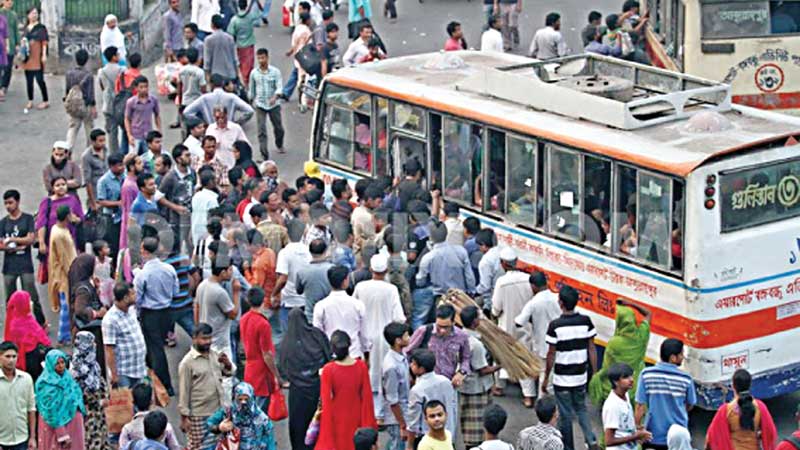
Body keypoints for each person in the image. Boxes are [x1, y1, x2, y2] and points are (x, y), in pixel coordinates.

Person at [541, 285, 598, 450]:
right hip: (580, 376)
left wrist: (546, 379)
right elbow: (592, 349)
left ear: (560, 303)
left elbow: (551, 355)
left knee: (565, 416)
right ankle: (591, 441)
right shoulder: (586, 322)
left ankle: (568, 447)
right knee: (581, 409)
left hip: (562, 380)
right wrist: (594, 372)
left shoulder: (555, 326)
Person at [353, 253, 405, 415]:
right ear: (386, 270)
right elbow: (399, 317)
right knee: (385, 371)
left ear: (370, 269)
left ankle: (371, 410)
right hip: (386, 336)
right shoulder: (391, 289)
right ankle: (383, 411)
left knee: (369, 371)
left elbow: (355, 309)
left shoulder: (361, 287)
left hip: (365, 335)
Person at [315, 330, 378, 450]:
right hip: (357, 414)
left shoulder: (328, 370)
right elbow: (367, 399)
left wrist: (326, 434)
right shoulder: (361, 366)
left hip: (336, 417)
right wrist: (369, 426)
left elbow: (326, 403)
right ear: (349, 345)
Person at [279, 308, 331, 450]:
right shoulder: (316, 335)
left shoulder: (287, 343)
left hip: (298, 393)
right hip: (317, 388)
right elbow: (328, 355)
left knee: (299, 427)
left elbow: (283, 367)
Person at [135, 237, 180, 396]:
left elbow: (138, 299)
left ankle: (165, 385)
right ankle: (153, 377)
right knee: (156, 347)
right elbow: (175, 292)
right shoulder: (169, 269)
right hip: (166, 312)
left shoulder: (143, 274)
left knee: (156, 349)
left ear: (145, 252)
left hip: (151, 313)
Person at [491, 248, 536, 405]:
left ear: (503, 264)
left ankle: (499, 386)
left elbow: (496, 308)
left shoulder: (501, 283)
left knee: (500, 356)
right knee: (524, 359)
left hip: (506, 327)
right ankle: (529, 396)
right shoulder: (528, 279)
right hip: (525, 327)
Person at [178, 323, 234, 450]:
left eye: (209, 338)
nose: (208, 342)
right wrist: (184, 418)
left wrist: (227, 364)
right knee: (198, 447)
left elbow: (226, 374)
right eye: (204, 339)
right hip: (198, 415)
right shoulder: (187, 363)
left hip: (217, 411)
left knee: (218, 445)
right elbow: (184, 392)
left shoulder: (214, 355)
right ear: (194, 338)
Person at [589, 299, 651, 409]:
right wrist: (630, 303)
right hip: (635, 389)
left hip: (615, 389)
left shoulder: (614, 343)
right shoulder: (642, 335)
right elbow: (648, 314)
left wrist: (596, 376)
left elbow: (607, 367)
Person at [635, 339, 697, 449]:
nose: (683, 357)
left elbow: (640, 406)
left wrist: (637, 428)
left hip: (653, 436)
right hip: (677, 437)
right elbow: (690, 404)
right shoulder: (686, 379)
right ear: (673, 358)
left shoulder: (646, 374)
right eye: (681, 354)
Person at [706, 369, 777, 450]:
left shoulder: (726, 410)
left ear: (733, 386)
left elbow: (712, 437)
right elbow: (770, 433)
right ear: (750, 385)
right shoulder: (760, 407)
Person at [460, 306, 500, 448]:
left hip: (465, 386)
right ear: (475, 322)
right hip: (477, 388)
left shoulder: (459, 336)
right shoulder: (475, 344)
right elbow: (482, 370)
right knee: (477, 425)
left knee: (466, 421)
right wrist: (499, 366)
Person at [1, 190, 42, 323]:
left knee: (32, 295)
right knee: (10, 298)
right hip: (9, 266)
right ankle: (11, 325)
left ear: (17, 202)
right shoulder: (3, 222)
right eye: (6, 203)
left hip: (25, 264)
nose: (8, 206)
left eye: (10, 202)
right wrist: (10, 247)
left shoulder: (27, 218)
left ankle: (41, 322)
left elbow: (30, 239)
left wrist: (13, 239)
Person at [313, 265, 371, 359]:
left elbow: (318, 334)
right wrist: (366, 353)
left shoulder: (321, 306)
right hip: (354, 354)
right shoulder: (357, 305)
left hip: (331, 355)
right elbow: (364, 334)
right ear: (345, 281)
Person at [35, 349, 86, 450]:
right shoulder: (44, 383)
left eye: (62, 362)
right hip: (55, 429)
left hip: (74, 426)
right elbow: (49, 411)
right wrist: (62, 434)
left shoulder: (68, 378)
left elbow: (77, 400)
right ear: (50, 364)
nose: (61, 366)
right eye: (57, 363)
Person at [406, 303, 471, 382]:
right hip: (425, 382)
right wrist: (409, 374)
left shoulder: (462, 336)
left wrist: (461, 372)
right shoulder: (424, 331)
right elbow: (407, 352)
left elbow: (466, 358)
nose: (442, 330)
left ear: (453, 322)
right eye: (439, 326)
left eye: (446, 327)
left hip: (448, 382)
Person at [240, 287, 281, 411]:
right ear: (264, 300)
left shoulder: (244, 319)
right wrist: (277, 375)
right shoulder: (263, 324)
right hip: (261, 373)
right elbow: (267, 354)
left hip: (249, 369)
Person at [70, 331, 112, 450]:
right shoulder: (78, 370)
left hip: (98, 414)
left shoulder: (93, 364)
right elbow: (79, 396)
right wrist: (98, 401)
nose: (95, 345)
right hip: (87, 417)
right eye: (91, 342)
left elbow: (100, 381)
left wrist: (105, 396)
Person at [406, 349, 458, 443]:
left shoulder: (417, 390)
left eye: (413, 364)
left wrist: (409, 444)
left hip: (427, 437)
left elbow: (413, 422)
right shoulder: (446, 381)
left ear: (421, 369)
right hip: (447, 434)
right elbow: (453, 407)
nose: (411, 366)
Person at [416, 222, 476, 302]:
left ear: (430, 237)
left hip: (440, 298)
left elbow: (420, 282)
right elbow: (469, 277)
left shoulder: (428, 258)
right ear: (446, 234)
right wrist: (471, 292)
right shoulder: (461, 251)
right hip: (461, 297)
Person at [207, 381, 277, 450]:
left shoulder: (262, 418)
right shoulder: (228, 412)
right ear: (234, 398)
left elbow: (270, 441)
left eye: (246, 399)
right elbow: (209, 424)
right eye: (240, 399)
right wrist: (219, 427)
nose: (243, 403)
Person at [102, 282, 147, 388]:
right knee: (127, 403)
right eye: (133, 294)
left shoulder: (131, 310)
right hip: (124, 373)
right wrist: (114, 375)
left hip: (139, 368)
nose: (136, 295)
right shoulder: (110, 320)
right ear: (126, 298)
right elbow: (109, 350)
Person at [196, 257, 239, 362]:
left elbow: (196, 307)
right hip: (219, 341)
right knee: (225, 373)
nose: (231, 272)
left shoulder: (202, 285)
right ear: (223, 272)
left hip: (207, 336)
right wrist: (236, 292)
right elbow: (233, 314)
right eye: (229, 270)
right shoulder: (220, 292)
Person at [68, 254, 107, 372]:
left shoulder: (82, 283)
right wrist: (97, 313)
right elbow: (80, 309)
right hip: (90, 331)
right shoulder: (83, 289)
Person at [272, 219, 312, 332]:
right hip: (306, 299)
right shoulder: (308, 251)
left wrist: (274, 294)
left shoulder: (284, 253)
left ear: (287, 232)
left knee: (289, 334)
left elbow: (283, 278)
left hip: (289, 301)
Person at [602, 363, 652, 450]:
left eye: (631, 376)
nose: (631, 380)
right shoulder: (613, 406)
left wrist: (636, 429)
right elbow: (609, 441)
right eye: (626, 377)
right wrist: (636, 436)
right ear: (615, 381)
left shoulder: (625, 395)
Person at [120, 383, 181, 449]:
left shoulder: (127, 429)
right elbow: (175, 447)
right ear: (152, 401)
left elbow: (122, 447)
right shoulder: (165, 426)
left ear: (134, 403)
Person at [249, 48, 285, 160]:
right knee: (261, 130)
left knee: (278, 127)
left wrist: (275, 97)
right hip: (260, 104)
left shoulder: (275, 72)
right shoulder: (254, 73)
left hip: (274, 105)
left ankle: (279, 144)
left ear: (267, 58)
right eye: (259, 58)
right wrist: (251, 100)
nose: (261, 60)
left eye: (263, 57)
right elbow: (252, 89)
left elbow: (279, 87)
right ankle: (264, 153)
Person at [0, 341, 37, 450]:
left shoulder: (26, 379)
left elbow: (31, 409)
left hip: (22, 438)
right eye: (7, 356)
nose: (11, 360)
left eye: (14, 356)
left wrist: (32, 437)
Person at [3, 291, 50, 376]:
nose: (30, 303)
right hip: (31, 360)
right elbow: (42, 338)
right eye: (28, 301)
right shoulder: (22, 323)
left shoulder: (18, 319)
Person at [381, 322, 410, 450]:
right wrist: (402, 425)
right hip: (396, 418)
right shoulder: (391, 366)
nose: (409, 337)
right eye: (406, 335)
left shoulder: (402, 356)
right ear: (398, 340)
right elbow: (392, 400)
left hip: (404, 413)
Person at [184, 73, 254, 125]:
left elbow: (187, 112)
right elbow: (250, 111)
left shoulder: (204, 98)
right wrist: (237, 123)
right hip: (228, 127)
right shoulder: (231, 97)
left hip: (211, 129)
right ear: (222, 83)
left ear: (211, 84)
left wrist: (201, 123)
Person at [47, 205, 78, 318]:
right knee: (67, 306)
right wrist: (73, 274)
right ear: (67, 216)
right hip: (64, 274)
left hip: (67, 270)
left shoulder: (58, 228)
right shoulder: (59, 234)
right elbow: (63, 258)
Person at [64, 49, 96, 150]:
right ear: (86, 60)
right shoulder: (88, 75)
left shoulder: (69, 74)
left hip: (74, 105)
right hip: (86, 105)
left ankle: (68, 149)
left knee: (73, 128)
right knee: (89, 129)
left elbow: (68, 90)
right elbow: (91, 94)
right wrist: (93, 107)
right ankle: (89, 152)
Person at [296, 238, 333, 323]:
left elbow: (299, 291)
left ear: (310, 251)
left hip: (310, 317)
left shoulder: (302, 271)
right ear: (325, 251)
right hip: (329, 316)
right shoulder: (332, 269)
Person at [21, 6, 49, 113]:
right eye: (32, 13)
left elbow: (44, 42)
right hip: (28, 57)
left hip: (37, 56)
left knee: (40, 79)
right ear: (28, 15)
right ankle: (30, 100)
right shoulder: (26, 28)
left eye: (36, 13)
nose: (34, 15)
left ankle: (45, 100)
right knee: (28, 80)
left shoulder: (41, 28)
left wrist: (44, 55)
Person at [125, 76, 162, 155]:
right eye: (141, 87)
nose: (144, 89)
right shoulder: (131, 102)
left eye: (146, 87)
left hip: (148, 135)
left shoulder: (153, 100)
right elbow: (127, 119)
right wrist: (129, 135)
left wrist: (159, 129)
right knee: (133, 157)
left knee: (149, 158)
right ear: (136, 88)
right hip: (135, 134)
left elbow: (157, 115)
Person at [281, 12, 313, 102]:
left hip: (297, 55)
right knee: (302, 77)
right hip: (304, 56)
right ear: (307, 20)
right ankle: (302, 97)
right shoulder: (306, 31)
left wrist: (291, 51)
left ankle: (286, 92)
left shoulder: (298, 28)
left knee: (295, 73)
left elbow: (294, 43)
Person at [98, 47, 124, 153]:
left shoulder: (101, 71)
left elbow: (102, 86)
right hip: (121, 103)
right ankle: (125, 151)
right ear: (113, 57)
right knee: (125, 130)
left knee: (112, 134)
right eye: (117, 55)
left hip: (108, 104)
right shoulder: (122, 70)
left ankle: (114, 154)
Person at [228, 0, 259, 86]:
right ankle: (247, 81)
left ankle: (243, 81)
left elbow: (230, 32)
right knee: (249, 64)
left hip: (240, 45)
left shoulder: (234, 20)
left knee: (242, 63)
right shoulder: (250, 16)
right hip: (249, 44)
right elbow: (258, 15)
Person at [205, 14, 242, 85]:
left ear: (212, 25)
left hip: (216, 77)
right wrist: (238, 74)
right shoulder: (230, 38)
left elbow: (207, 61)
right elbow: (235, 58)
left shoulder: (208, 40)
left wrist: (207, 78)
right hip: (230, 74)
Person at [81, 129, 109, 213]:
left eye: (104, 140)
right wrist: (93, 203)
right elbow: (87, 181)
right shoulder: (87, 156)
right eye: (100, 141)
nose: (103, 143)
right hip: (96, 192)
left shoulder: (105, 150)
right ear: (93, 142)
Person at [0, 0, 20, 99]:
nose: (10, 2)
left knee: (8, 68)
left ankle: (4, 86)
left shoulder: (13, 15)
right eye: (7, 0)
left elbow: (16, 30)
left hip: (10, 44)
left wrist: (17, 44)